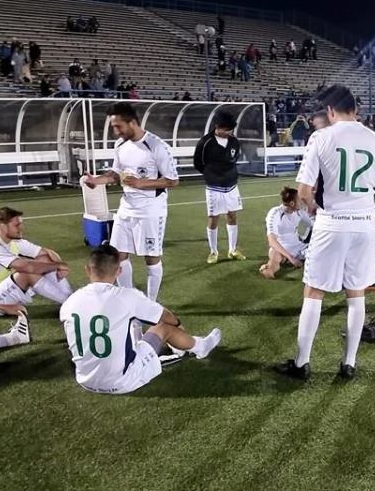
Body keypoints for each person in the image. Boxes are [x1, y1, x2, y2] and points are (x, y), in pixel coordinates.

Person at [274, 85, 375, 381]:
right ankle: (349, 364)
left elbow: (304, 191)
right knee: (356, 293)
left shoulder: (321, 137)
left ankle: (302, 363)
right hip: (364, 225)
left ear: (330, 111)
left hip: (331, 223)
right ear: (356, 109)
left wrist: (316, 207)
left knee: (314, 291)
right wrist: (367, 199)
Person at [60, 245, 220, 395]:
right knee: (163, 327)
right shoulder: (126, 296)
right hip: (122, 382)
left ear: (87, 270)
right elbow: (164, 316)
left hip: (85, 381)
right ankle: (201, 347)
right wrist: (179, 325)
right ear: (119, 271)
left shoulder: (70, 302)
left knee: (124, 326)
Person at [81, 102, 179, 301]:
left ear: (132, 122)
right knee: (119, 255)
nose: (116, 132)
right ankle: (128, 298)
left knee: (151, 258)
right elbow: (116, 174)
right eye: (113, 127)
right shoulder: (120, 145)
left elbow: (172, 180)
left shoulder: (156, 146)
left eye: (118, 126)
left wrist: (141, 183)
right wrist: (97, 181)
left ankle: (151, 302)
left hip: (150, 210)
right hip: (126, 208)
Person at [0, 207, 72, 314]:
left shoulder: (12, 241)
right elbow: (28, 267)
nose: (21, 228)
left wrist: (58, 264)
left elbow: (47, 253)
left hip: (1, 291)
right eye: (17, 225)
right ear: (3, 227)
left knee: (44, 259)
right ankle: (71, 304)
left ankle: (70, 296)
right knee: (26, 273)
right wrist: (57, 266)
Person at [192, 111, 246, 264]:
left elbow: (235, 158)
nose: (228, 132)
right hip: (214, 187)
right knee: (213, 217)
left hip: (232, 185)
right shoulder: (205, 142)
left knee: (232, 215)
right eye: (226, 129)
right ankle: (213, 251)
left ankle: (232, 249)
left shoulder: (234, 141)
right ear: (217, 126)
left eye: (230, 129)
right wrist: (211, 175)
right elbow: (198, 163)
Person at [260, 187, 314, 279]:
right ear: (292, 203)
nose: (302, 202)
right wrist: (291, 258)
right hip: (284, 249)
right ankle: (269, 269)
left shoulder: (300, 212)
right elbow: (272, 241)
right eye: (299, 200)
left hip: (304, 248)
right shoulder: (275, 213)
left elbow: (312, 226)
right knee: (274, 257)